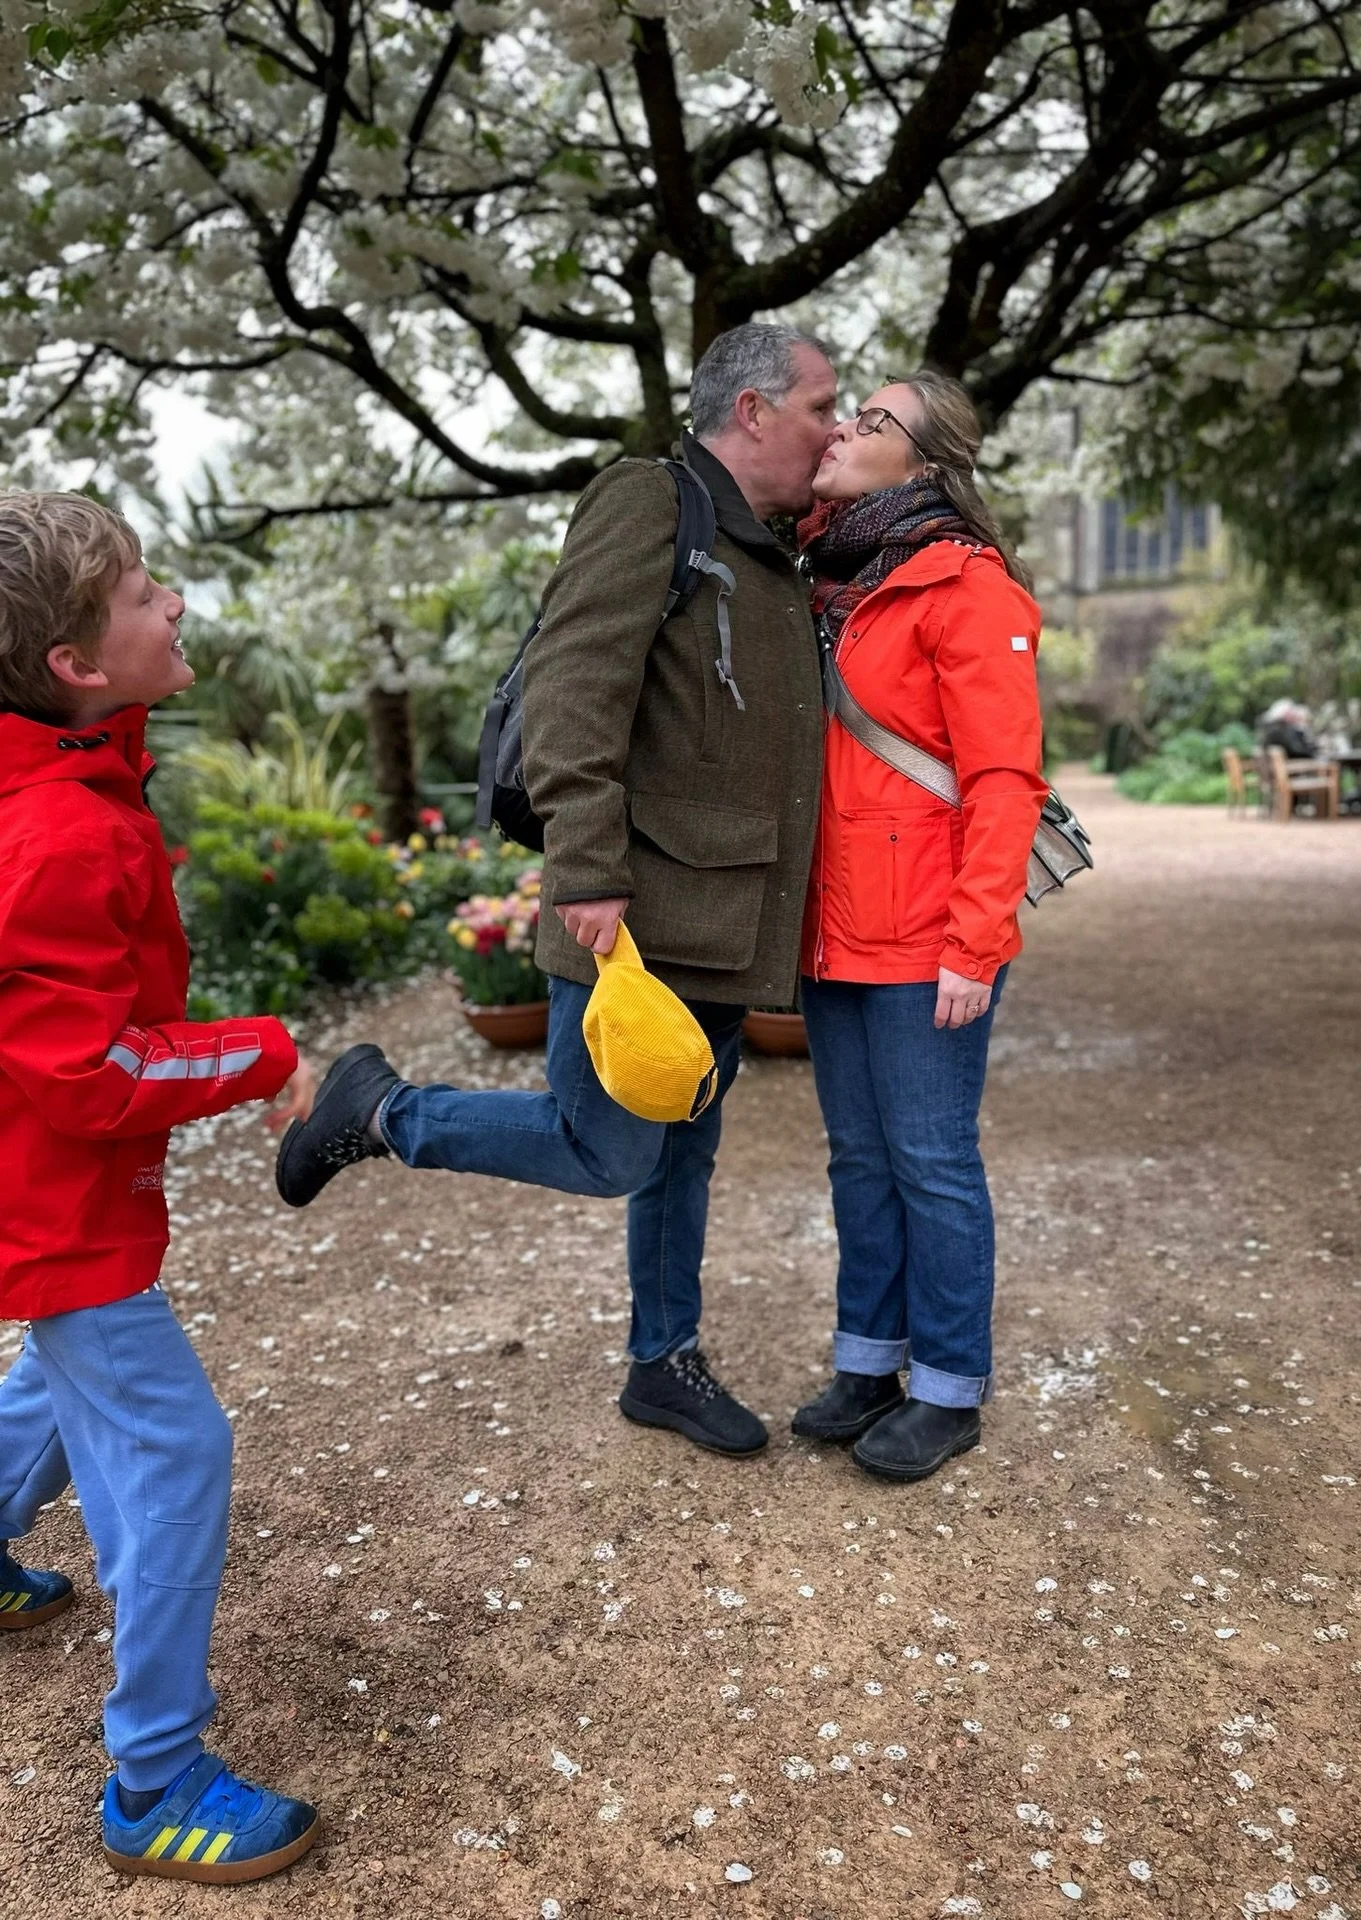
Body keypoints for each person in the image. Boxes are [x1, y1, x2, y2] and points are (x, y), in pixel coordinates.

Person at [277, 323, 836, 1457]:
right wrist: (583, 861)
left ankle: (661, 1360)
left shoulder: (770, 548)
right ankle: (379, 1113)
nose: (835, 428)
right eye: (823, 406)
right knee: (608, 1145)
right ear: (755, 412)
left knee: (681, 1148)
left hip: (721, 915)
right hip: (636, 908)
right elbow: (578, 685)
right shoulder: (649, 501)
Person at [0, 493, 321, 1883]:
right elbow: (90, 1068)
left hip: (47, 1193)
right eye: (141, 593)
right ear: (76, 663)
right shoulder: (60, 829)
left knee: (66, 1376)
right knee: (171, 1446)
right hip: (51, 1194)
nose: (171, 603)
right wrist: (260, 1058)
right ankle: (155, 1780)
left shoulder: (72, 778)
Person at [789, 373, 1048, 1482]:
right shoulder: (835, 573)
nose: (844, 428)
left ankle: (949, 1387)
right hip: (835, 927)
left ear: (928, 465)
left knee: (933, 1160)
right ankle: (869, 1362)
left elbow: (1003, 779)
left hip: (926, 933)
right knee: (859, 1159)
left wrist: (975, 940)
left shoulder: (968, 590)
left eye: (872, 421)